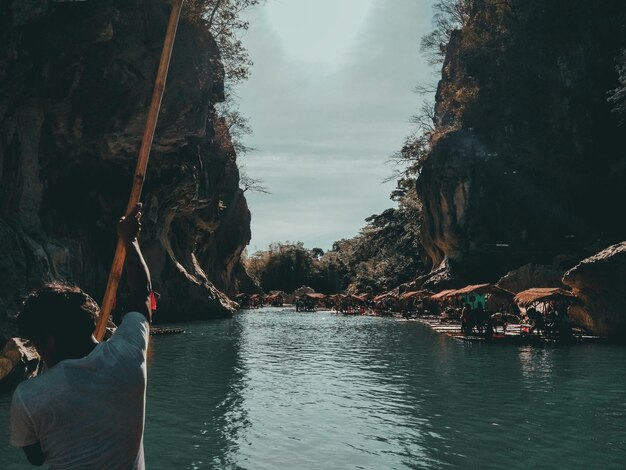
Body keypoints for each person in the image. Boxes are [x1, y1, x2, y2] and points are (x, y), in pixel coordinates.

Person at [10, 203, 152, 469]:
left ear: (50, 340)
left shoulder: (28, 397)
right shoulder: (129, 355)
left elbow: (37, 458)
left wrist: (37, 378)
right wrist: (130, 240)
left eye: (37, 342)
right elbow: (142, 295)